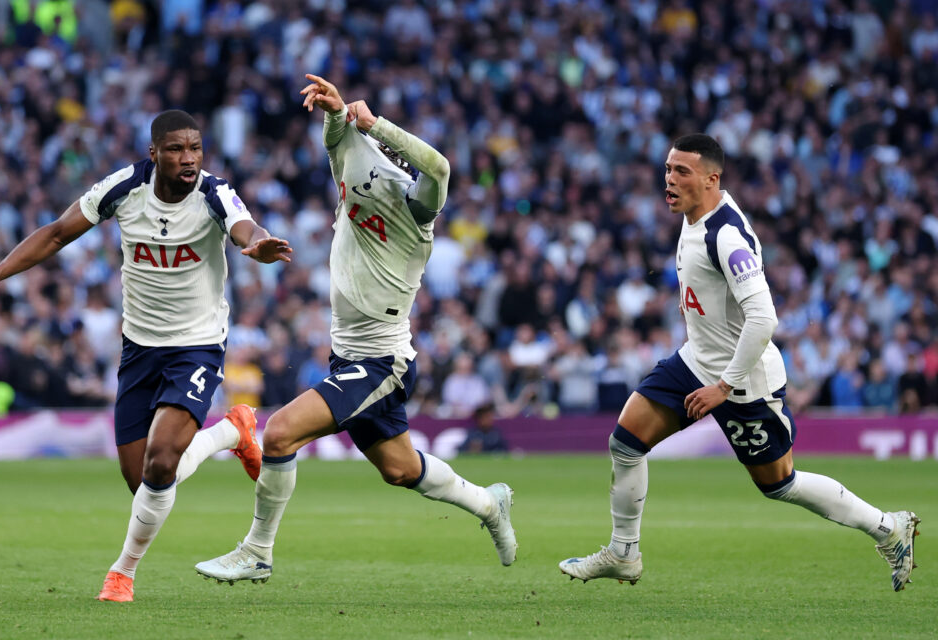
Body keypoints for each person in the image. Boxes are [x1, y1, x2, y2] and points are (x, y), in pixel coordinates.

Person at [0, 110, 294, 602]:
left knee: (159, 466)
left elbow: (245, 226)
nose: (188, 158)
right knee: (144, 483)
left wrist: (257, 246)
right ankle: (231, 432)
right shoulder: (124, 187)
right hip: (139, 349)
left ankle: (122, 573)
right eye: (176, 148)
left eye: (195, 147)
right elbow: (56, 233)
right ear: (154, 154)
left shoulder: (215, 192)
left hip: (196, 346)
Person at [558, 134, 919, 592]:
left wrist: (723, 387)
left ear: (712, 178)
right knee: (626, 443)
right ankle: (624, 553)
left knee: (779, 484)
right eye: (668, 169)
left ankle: (890, 528)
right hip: (697, 361)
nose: (669, 179)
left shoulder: (725, 236)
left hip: (744, 381)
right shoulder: (694, 216)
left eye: (681, 172)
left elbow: (764, 317)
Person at [194, 74, 517, 585]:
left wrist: (374, 123)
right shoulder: (353, 187)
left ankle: (257, 552)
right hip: (350, 358)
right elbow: (336, 143)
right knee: (401, 470)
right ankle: (489, 503)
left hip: (381, 364)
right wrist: (335, 110)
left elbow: (440, 166)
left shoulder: (416, 213)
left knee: (278, 434)